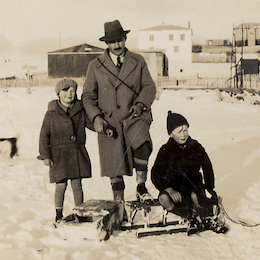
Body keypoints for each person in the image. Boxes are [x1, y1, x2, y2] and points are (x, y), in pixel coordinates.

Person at [82, 20, 156, 202]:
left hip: (134, 116)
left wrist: (140, 104)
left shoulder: (138, 61)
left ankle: (141, 187)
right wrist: (96, 117)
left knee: (142, 144)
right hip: (110, 121)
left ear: (125, 39)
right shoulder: (95, 65)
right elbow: (88, 97)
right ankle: (118, 202)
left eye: (120, 40)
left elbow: (149, 87)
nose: (117, 45)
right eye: (112, 42)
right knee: (114, 164)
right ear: (106, 43)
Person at [151, 111, 225, 235]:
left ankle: (205, 214)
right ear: (170, 134)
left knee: (194, 196)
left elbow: (207, 167)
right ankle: (189, 215)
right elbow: (155, 174)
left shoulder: (195, 146)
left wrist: (209, 187)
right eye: (179, 131)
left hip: (193, 187)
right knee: (163, 198)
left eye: (185, 130)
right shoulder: (165, 150)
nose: (183, 134)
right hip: (175, 190)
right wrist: (168, 189)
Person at [39, 78, 94, 223]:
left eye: (73, 91)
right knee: (61, 185)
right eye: (65, 90)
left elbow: (92, 123)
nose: (70, 94)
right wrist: (46, 155)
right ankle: (58, 213)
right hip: (59, 155)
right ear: (58, 93)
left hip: (77, 153)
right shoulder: (51, 113)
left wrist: (103, 126)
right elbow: (44, 135)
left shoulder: (80, 110)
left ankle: (80, 212)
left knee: (77, 185)